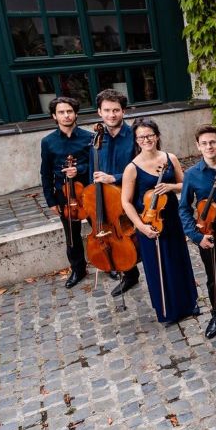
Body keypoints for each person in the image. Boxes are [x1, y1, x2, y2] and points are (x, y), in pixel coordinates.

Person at [120, 119, 199, 324]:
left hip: (171, 217)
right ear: (136, 140)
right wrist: (141, 227)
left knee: (179, 260)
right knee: (158, 267)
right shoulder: (132, 168)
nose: (146, 140)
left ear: (157, 136)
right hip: (149, 222)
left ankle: (189, 303)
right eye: (141, 137)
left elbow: (185, 185)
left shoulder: (170, 158)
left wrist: (171, 187)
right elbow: (126, 202)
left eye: (149, 135)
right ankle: (167, 311)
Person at [179, 124, 216, 339]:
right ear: (198, 146)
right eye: (204, 143)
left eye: (212, 142)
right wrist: (196, 236)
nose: (209, 146)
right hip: (207, 234)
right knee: (213, 277)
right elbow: (184, 208)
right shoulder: (191, 174)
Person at [92, 88, 141, 298]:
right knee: (115, 236)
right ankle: (129, 274)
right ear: (99, 112)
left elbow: (142, 168)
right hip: (107, 200)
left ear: (123, 111)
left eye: (116, 110)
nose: (111, 115)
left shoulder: (134, 136)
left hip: (131, 196)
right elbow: (92, 170)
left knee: (139, 237)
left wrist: (115, 177)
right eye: (107, 110)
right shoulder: (96, 138)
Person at [39, 96, 92, 289]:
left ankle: (108, 263)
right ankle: (78, 269)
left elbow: (95, 164)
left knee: (100, 228)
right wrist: (51, 200)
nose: (66, 115)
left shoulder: (89, 138)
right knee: (71, 235)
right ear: (54, 116)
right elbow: (45, 172)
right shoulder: (48, 141)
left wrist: (80, 169)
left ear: (76, 114)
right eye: (61, 112)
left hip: (88, 191)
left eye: (69, 111)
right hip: (64, 194)